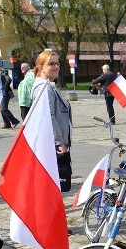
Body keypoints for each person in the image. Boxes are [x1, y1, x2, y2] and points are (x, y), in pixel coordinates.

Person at [31, 50, 73, 193]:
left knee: (53, 186)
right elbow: (49, 117)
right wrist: (59, 142)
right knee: (51, 186)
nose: (56, 67)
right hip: (52, 146)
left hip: (54, 144)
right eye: (51, 64)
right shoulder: (44, 89)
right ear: (41, 67)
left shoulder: (50, 87)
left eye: (57, 63)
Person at [0, 61, 19, 128]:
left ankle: (14, 121)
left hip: (5, 94)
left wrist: (4, 89)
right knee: (2, 109)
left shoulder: (2, 73)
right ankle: (7, 124)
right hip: (0, 95)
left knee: (3, 109)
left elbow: (9, 80)